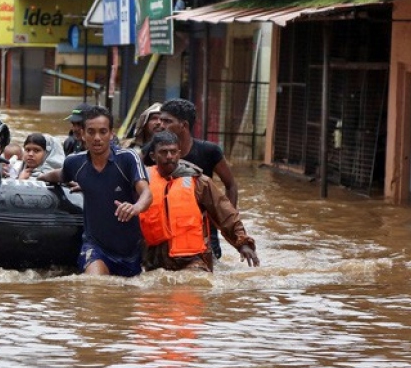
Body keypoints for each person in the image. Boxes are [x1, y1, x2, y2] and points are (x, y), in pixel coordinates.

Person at [39, 105, 152, 277]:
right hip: (95, 247)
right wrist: (37, 177)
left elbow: (146, 193)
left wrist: (136, 207)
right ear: (82, 134)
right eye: (91, 132)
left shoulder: (128, 158)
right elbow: (59, 175)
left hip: (129, 251)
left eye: (103, 132)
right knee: (95, 287)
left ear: (111, 134)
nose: (97, 138)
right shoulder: (74, 162)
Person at [139, 131, 259, 272]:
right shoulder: (142, 181)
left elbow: (225, 213)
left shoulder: (199, 182)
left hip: (192, 259)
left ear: (179, 153)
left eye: (172, 152)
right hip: (153, 259)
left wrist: (243, 243)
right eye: (163, 152)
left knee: (194, 285)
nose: (169, 156)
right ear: (153, 156)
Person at [158, 98, 239, 259]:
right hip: (168, 230)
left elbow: (231, 185)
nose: (161, 125)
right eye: (160, 120)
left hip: (205, 230)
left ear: (184, 125)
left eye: (167, 121)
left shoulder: (209, 151)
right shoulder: (155, 152)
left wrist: (227, 221)